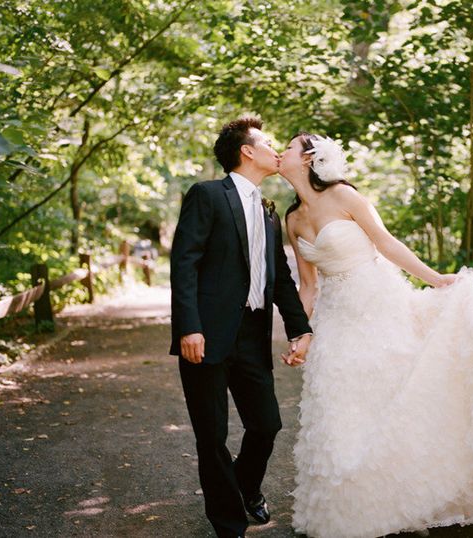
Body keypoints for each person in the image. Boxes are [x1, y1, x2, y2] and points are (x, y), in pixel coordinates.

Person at [278, 133, 473, 538]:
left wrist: (435, 279)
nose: (280, 152)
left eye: (289, 147)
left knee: (392, 402)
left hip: (380, 308)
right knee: (339, 408)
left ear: (309, 158)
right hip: (336, 322)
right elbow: (308, 286)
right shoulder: (292, 220)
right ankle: (354, 511)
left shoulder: (345, 196)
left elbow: (385, 243)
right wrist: (300, 333)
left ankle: (408, 498)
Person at [169, 117, 312, 538]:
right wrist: (189, 327)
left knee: (266, 425)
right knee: (212, 436)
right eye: (268, 143)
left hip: (251, 335)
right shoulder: (208, 195)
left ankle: (245, 488)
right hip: (206, 336)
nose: (276, 150)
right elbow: (185, 263)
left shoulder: (269, 211)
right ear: (247, 151)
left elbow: (281, 279)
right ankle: (229, 525)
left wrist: (299, 329)